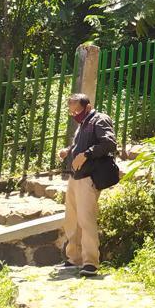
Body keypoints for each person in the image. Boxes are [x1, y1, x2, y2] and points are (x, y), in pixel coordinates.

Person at [57, 93, 119, 277]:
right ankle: (74, 258)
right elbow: (81, 144)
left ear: (88, 107)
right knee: (72, 219)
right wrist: (68, 151)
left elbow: (109, 143)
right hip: (75, 176)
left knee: (86, 219)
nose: (74, 114)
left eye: (77, 111)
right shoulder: (83, 123)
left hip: (89, 177)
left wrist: (86, 154)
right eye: (71, 112)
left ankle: (90, 262)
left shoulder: (99, 120)